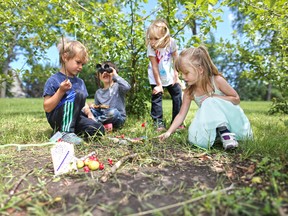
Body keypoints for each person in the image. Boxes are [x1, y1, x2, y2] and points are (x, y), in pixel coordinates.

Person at [159, 45, 253, 150]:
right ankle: (218, 135)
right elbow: (181, 115)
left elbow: (236, 99)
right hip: (212, 123)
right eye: (181, 73)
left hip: (232, 120)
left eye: (186, 73)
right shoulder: (189, 92)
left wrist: (215, 97)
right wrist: (168, 132)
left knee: (209, 101)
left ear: (200, 69)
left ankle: (226, 134)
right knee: (194, 138)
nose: (183, 77)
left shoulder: (217, 81)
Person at [43, 38, 105, 145]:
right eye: (78, 62)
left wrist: (90, 115)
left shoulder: (80, 82)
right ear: (65, 57)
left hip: (75, 118)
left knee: (98, 129)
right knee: (77, 94)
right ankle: (64, 132)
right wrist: (61, 91)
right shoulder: (53, 80)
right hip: (58, 119)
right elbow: (47, 107)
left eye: (83, 64)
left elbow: (81, 103)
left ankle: (61, 135)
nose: (80, 67)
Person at [146, 19, 183, 131]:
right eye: (150, 38)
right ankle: (158, 123)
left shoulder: (171, 42)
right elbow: (154, 66)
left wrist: (176, 76)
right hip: (155, 76)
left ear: (164, 37)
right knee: (156, 97)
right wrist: (159, 84)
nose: (152, 42)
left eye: (155, 39)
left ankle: (178, 122)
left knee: (177, 94)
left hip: (169, 74)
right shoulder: (151, 47)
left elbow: (176, 59)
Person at [90, 61, 131, 130]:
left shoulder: (118, 87)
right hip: (103, 116)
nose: (105, 73)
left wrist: (115, 75)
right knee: (89, 111)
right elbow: (97, 109)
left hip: (117, 117)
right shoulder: (98, 92)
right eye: (102, 72)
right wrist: (93, 107)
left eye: (107, 71)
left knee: (113, 112)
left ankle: (93, 122)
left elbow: (127, 87)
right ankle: (104, 125)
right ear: (99, 76)